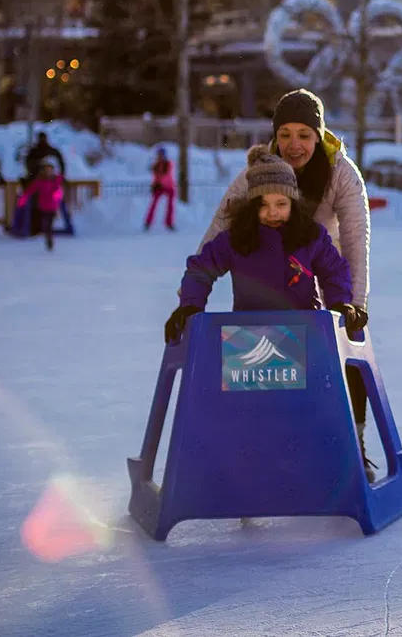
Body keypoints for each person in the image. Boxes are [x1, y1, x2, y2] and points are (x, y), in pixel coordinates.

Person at [201, 88, 375, 475]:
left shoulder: (341, 173)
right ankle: (255, 457)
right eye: (285, 135)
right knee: (260, 366)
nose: (294, 145)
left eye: (304, 135)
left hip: (325, 276)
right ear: (274, 137)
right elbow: (220, 229)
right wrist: (192, 294)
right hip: (264, 284)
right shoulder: (262, 172)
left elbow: (354, 239)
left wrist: (354, 305)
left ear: (319, 135)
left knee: (346, 356)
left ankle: (353, 444)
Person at [166, 145, 360, 343]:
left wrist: (340, 303)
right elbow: (201, 270)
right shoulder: (236, 238)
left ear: (294, 203)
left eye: (281, 204)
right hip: (250, 338)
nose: (272, 212)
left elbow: (334, 270)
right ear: (251, 206)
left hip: (306, 334)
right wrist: (190, 305)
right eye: (263, 205)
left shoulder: (310, 237)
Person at [18, 162, 64, 251]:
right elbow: (30, 190)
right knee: (45, 224)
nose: (48, 172)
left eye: (50, 170)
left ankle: (49, 239)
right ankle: (48, 237)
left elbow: (59, 190)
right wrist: (24, 198)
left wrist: (57, 195)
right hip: (43, 207)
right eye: (47, 170)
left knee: (49, 225)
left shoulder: (55, 180)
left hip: (52, 207)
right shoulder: (40, 181)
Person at [145, 147, 176, 232]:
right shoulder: (156, 165)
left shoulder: (168, 164)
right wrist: (154, 185)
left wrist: (160, 183)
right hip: (159, 187)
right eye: (159, 155)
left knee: (170, 206)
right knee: (153, 204)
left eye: (161, 155)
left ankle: (169, 223)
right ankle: (148, 223)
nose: (160, 156)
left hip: (168, 187)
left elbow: (167, 176)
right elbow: (155, 177)